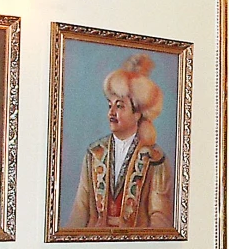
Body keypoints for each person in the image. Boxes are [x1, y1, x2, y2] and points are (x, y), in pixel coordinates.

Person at [67, 53, 173, 228]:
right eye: (110, 105)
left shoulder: (154, 158)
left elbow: (160, 217)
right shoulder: (94, 153)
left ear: (137, 113)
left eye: (120, 106)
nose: (111, 113)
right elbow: (80, 210)